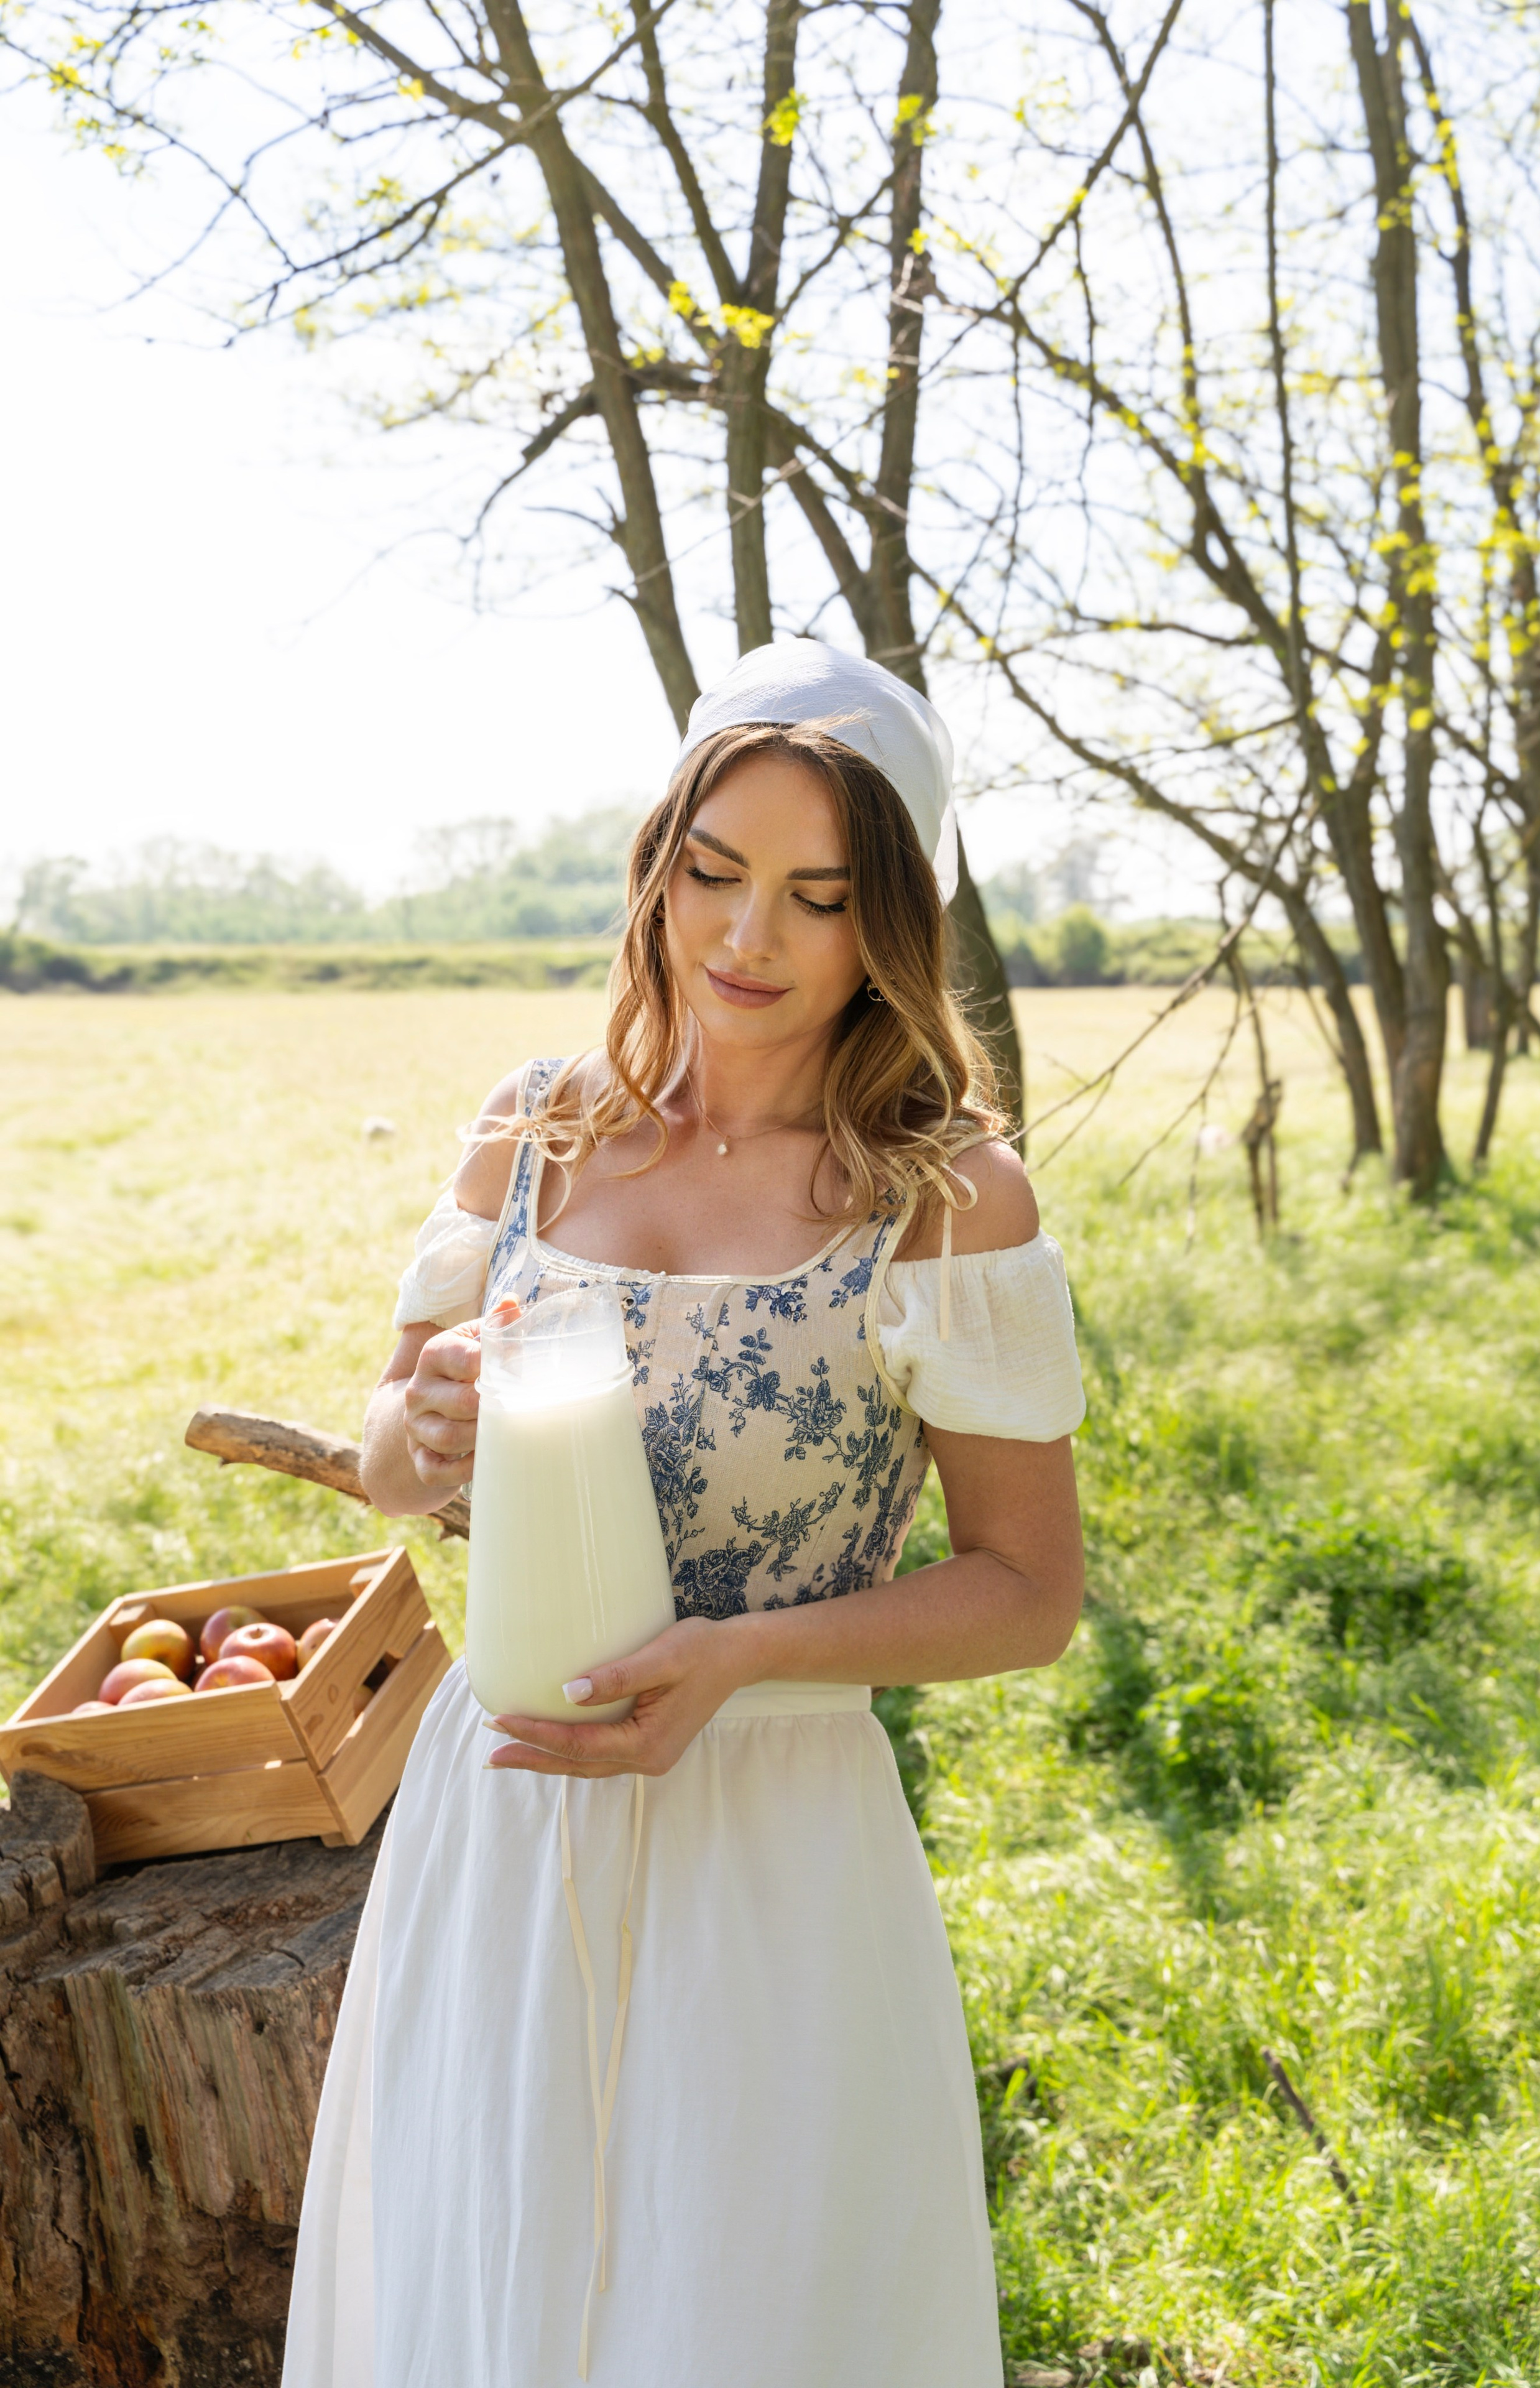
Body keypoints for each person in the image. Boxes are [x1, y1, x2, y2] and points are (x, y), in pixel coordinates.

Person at [280, 641, 1087, 2388]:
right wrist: (417, 1426)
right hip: (499, 1823)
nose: (748, 940)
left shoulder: (940, 1195)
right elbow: (401, 1468)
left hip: (769, 1836)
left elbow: (1027, 1591)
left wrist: (735, 1660)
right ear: (658, 864)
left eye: (817, 896)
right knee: (485, 2294)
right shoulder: (538, 1132)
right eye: (714, 874)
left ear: (891, 925)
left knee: (733, 2317)